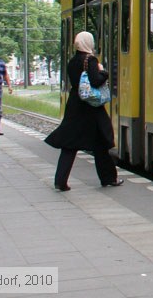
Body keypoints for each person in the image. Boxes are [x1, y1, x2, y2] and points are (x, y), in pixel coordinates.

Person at [44, 31, 123, 191]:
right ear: (89, 43)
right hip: (91, 108)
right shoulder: (90, 60)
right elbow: (95, 81)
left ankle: (60, 180)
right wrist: (104, 72)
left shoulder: (73, 61)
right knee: (101, 142)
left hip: (75, 105)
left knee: (70, 145)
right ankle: (108, 178)